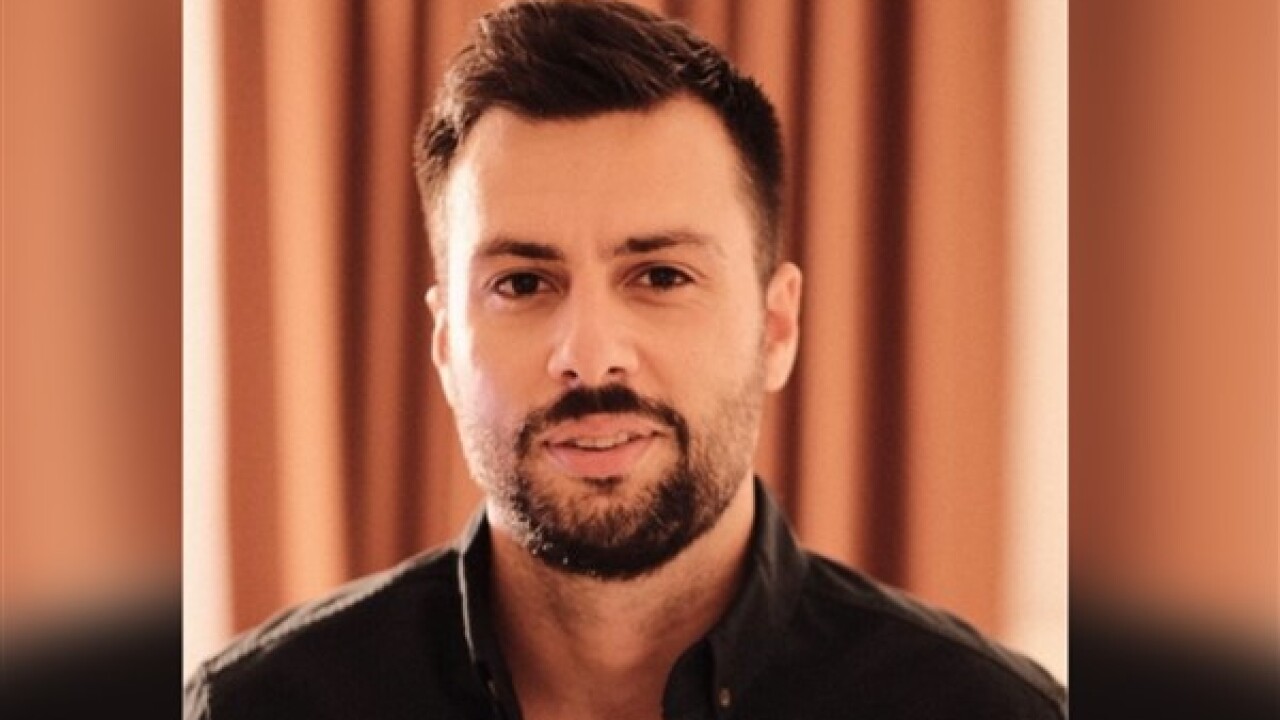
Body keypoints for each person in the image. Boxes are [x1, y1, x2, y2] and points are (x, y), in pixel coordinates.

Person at [184, 2, 1066, 718]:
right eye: (523, 283)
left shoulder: (984, 712)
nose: (591, 357)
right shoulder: (263, 707)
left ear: (775, 328)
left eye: (661, 276)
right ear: (447, 344)